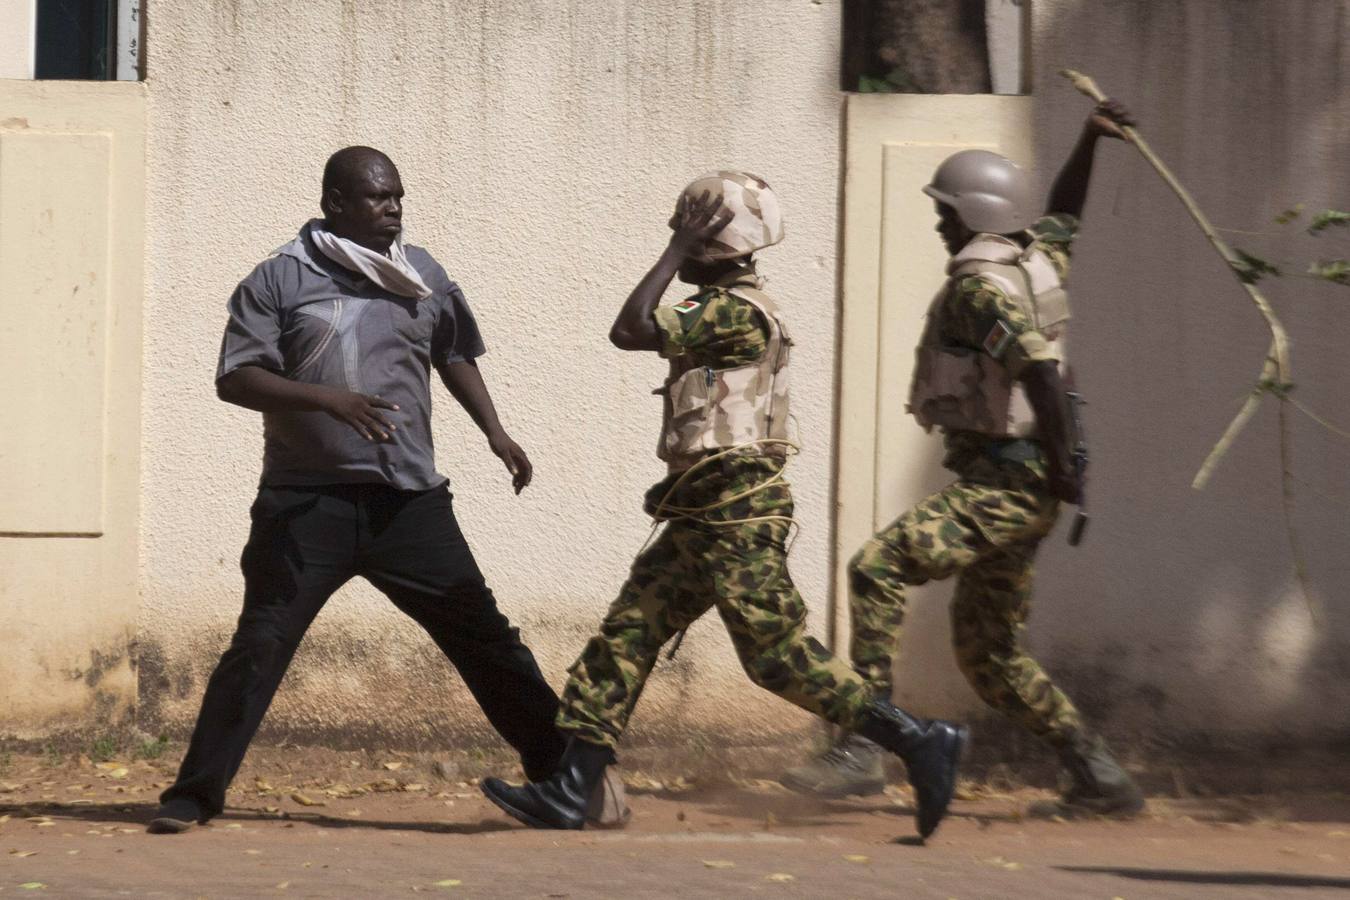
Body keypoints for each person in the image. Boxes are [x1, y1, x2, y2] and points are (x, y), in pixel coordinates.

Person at [480, 171, 967, 841]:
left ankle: (917, 740)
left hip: (736, 516)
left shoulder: (733, 311)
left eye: (691, 231)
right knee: (627, 634)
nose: (678, 242)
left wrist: (675, 249)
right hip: (702, 514)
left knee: (776, 657)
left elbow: (627, 329)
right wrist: (684, 246)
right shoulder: (727, 306)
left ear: (714, 240)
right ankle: (572, 786)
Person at [148, 146, 568, 833]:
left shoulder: (420, 272)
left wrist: (496, 431)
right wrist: (327, 400)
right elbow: (236, 378)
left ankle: (564, 774)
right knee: (259, 645)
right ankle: (194, 794)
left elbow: (453, 350)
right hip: (306, 505)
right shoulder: (280, 278)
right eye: (378, 197)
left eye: (399, 196)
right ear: (335, 203)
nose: (394, 208)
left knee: (485, 638)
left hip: (408, 504)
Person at [780, 102, 1146, 818]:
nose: (941, 224)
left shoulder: (981, 287)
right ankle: (1099, 777)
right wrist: (1090, 139)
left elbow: (1038, 371)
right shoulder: (1035, 257)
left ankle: (865, 747)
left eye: (948, 213)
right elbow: (1067, 213)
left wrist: (1062, 464)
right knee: (991, 655)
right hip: (1023, 479)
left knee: (876, 566)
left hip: (1010, 477)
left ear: (977, 214)